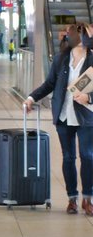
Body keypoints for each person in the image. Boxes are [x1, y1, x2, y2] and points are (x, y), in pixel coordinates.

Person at [25, 23, 93, 215]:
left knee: (88, 157)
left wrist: (89, 97)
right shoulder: (61, 59)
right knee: (68, 157)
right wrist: (31, 98)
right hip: (63, 115)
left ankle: (88, 198)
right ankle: (72, 199)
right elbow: (49, 84)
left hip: (87, 116)